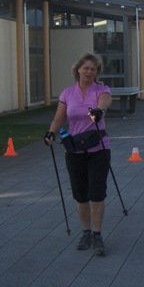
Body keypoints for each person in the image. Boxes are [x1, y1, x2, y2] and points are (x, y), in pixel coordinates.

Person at [44, 53, 112, 256]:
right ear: (78, 70)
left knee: (97, 192)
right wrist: (51, 133)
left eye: (93, 69)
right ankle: (86, 232)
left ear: (97, 72)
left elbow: (104, 103)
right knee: (80, 194)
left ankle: (97, 235)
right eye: (86, 68)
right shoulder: (67, 93)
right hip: (75, 149)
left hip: (98, 148)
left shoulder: (101, 90)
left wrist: (99, 111)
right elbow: (59, 118)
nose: (89, 72)